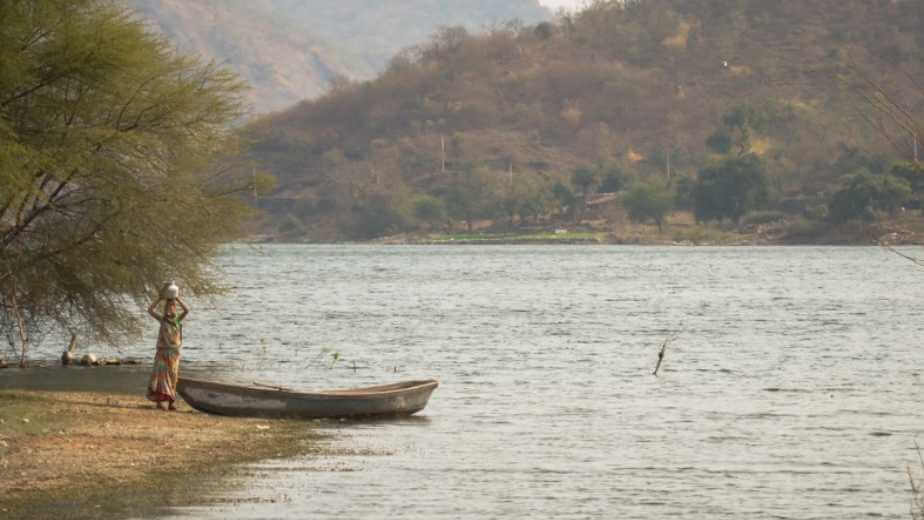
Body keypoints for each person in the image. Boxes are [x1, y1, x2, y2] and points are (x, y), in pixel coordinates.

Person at [146, 289, 189, 411]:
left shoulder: (177, 320)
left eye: (172, 307)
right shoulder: (162, 320)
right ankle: (159, 402)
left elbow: (187, 310)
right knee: (161, 377)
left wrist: (178, 299)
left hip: (174, 353)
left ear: (175, 309)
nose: (170, 309)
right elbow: (150, 310)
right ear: (165, 309)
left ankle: (171, 403)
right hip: (163, 352)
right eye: (168, 307)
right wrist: (160, 299)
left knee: (173, 376)